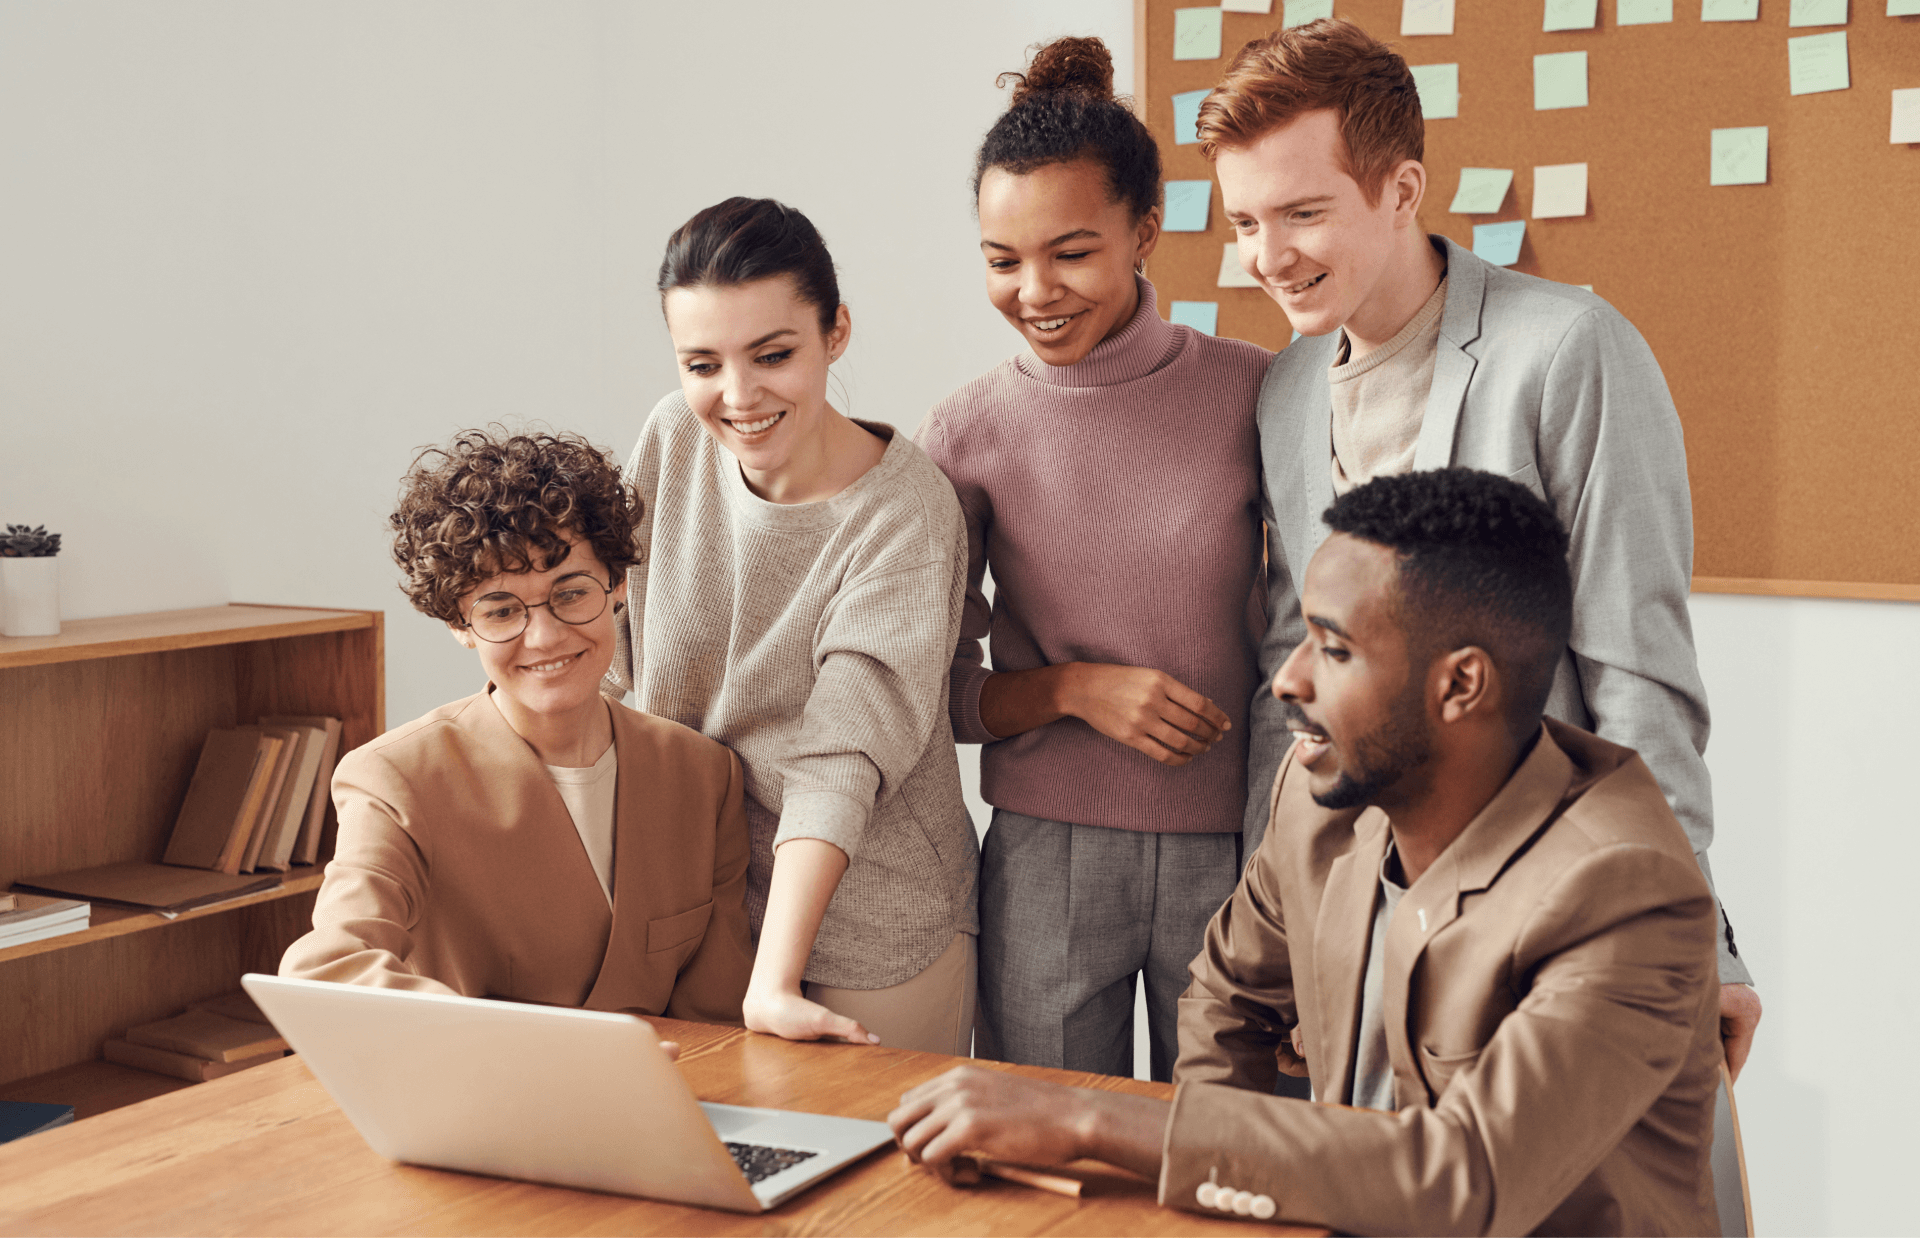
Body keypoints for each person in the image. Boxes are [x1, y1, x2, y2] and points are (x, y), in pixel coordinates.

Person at [889, 468, 1722, 1235]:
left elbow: (1466, 1177)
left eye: (1333, 648)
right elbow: (1226, 997)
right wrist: (1214, 1211)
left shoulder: (1625, 889)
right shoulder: (1322, 799)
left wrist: (1088, 1120)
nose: (1287, 680)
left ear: (1460, 684)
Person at [1200, 18, 1760, 1075]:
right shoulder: (1283, 392)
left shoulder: (1566, 350)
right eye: (1246, 221)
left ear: (1402, 190)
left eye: (1303, 213)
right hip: (1364, 903)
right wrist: (1291, 944)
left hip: (1553, 891)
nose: (1268, 257)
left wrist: (1693, 939)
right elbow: (1299, 682)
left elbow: (1641, 671)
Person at [916, 37, 1272, 1083]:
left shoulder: (1261, 394)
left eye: (1071, 251)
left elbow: (1320, 633)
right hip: (1041, 853)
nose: (1035, 289)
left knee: (1234, 1160)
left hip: (1239, 848)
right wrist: (1075, 688)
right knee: (1046, 1168)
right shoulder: (965, 433)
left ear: (1146, 231)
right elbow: (936, 694)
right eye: (1000, 258)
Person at [602, 197, 976, 1055]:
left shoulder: (906, 510)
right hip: (700, 907)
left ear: (835, 333)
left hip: (869, 925)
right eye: (703, 363)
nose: (738, 397)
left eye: (773, 355)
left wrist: (773, 978)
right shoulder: (671, 441)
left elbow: (844, 749)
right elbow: (616, 664)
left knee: (880, 1185)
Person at [282, 429, 753, 1033]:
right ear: (460, 623)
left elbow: (718, 1016)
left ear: (618, 588)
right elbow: (330, 971)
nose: (546, 637)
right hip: (480, 1111)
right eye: (502, 610)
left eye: (571, 594)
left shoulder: (703, 774)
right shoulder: (395, 780)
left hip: (672, 1103)